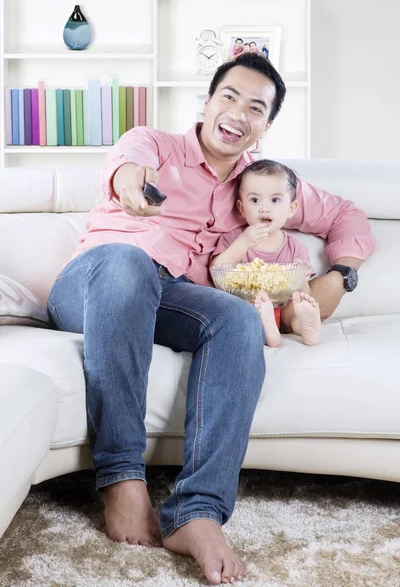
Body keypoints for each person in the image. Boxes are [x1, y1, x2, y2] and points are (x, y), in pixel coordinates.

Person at [47, 52, 375, 585]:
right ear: (207, 102)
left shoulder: (263, 184)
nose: (238, 112)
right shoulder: (157, 145)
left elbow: (345, 213)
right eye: (229, 96)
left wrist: (340, 273)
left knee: (236, 317)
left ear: (265, 126)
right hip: (95, 283)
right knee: (128, 261)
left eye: (255, 107)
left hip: (172, 296)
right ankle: (121, 478)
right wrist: (132, 185)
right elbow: (127, 166)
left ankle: (196, 511)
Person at [210, 159, 321, 348]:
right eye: (254, 200)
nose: (264, 207)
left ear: (291, 209)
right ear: (241, 207)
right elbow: (216, 271)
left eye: (275, 200)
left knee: (295, 310)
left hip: (282, 310)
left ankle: (307, 326)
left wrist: (301, 279)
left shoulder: (296, 248)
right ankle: (269, 331)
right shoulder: (234, 239)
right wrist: (243, 243)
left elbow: (303, 292)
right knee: (239, 311)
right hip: (246, 307)